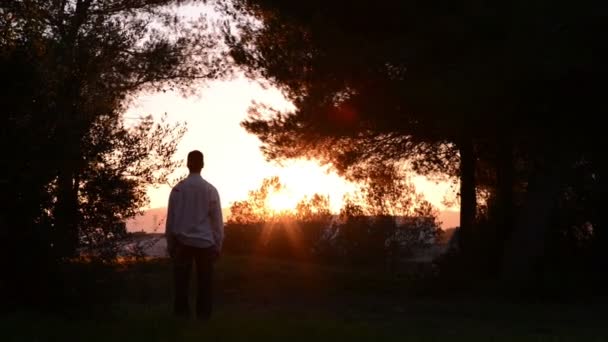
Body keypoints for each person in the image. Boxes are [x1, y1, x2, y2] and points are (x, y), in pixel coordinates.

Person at [165, 150, 224, 320]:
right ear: (202, 165)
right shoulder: (210, 190)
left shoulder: (178, 189)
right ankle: (203, 319)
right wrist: (218, 244)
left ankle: (182, 318)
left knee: (181, 285)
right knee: (205, 284)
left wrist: (170, 244)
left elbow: (171, 219)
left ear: (187, 164)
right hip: (205, 243)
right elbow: (217, 221)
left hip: (181, 242)